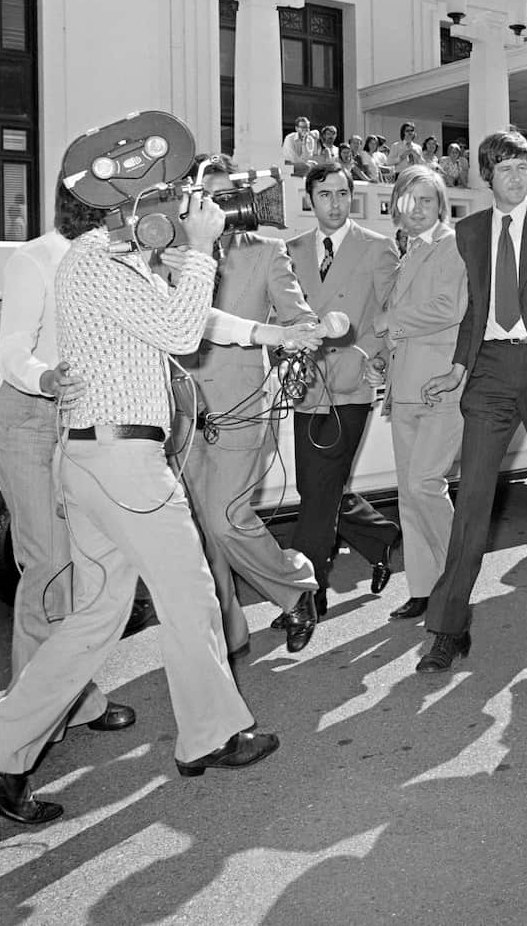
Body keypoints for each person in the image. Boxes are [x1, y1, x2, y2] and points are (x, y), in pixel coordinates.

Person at [0, 173, 279, 826]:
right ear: (118, 206)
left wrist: (262, 327)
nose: (165, 205)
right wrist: (205, 245)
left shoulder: (105, 260)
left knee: (95, 616)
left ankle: (6, 748)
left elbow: (179, 313)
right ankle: (210, 734)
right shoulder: (98, 260)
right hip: (124, 463)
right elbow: (183, 332)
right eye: (151, 195)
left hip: (97, 458)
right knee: (190, 595)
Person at [416, 129, 527, 672]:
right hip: (491, 370)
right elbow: (469, 307)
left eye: (523, 165)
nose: (515, 175)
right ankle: (447, 626)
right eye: (503, 167)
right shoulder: (470, 230)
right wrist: (459, 365)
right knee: (473, 498)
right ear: (486, 176)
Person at [0, 184, 135, 763]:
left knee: (84, 569)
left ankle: (71, 700)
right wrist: (46, 377)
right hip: (33, 417)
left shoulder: (111, 258)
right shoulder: (36, 257)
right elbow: (9, 349)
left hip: (90, 418)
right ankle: (23, 733)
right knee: (48, 569)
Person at [173, 158, 329, 657]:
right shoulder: (169, 253)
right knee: (203, 526)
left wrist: (298, 345)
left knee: (225, 516)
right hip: (179, 409)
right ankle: (228, 629)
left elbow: (297, 318)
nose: (216, 207)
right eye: (206, 197)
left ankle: (295, 586)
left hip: (241, 408)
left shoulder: (266, 252)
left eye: (225, 196)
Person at [286, 166, 401, 615]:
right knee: (319, 485)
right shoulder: (291, 250)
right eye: (324, 194)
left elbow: (392, 310)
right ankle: (379, 535)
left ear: (351, 198)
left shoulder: (377, 247)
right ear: (310, 200)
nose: (333, 202)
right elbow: (283, 311)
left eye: (341, 193)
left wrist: (371, 356)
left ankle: (305, 594)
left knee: (317, 493)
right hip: (306, 383)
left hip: (351, 386)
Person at [375, 166, 467, 620]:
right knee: (409, 494)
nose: (416, 209)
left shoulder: (452, 245)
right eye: (408, 201)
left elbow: (450, 307)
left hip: (438, 384)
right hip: (404, 384)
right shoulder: (407, 250)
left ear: (440, 205)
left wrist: (392, 323)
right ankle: (424, 587)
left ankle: (458, 576)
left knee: (424, 484)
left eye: (425, 201)